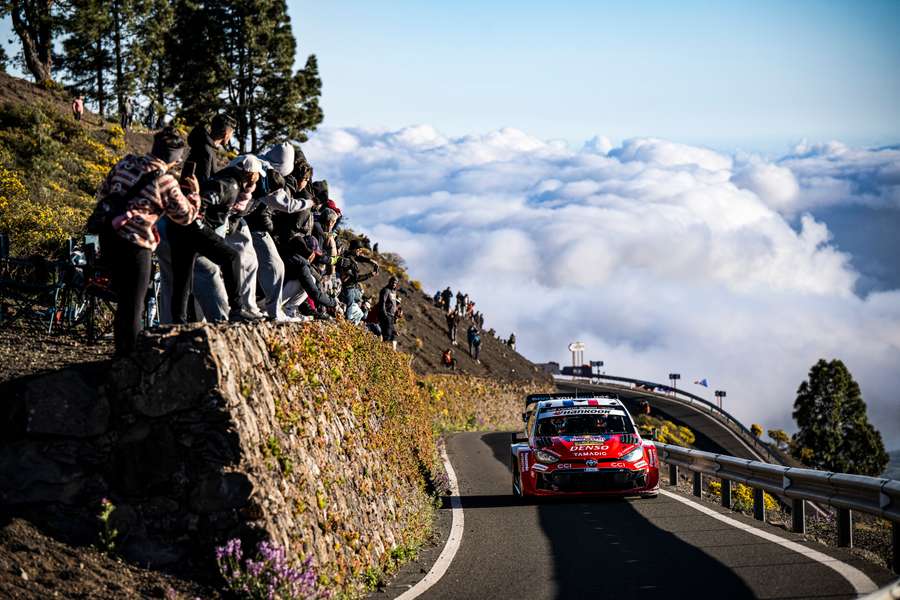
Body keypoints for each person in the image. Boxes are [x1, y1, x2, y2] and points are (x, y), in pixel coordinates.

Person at [94, 126, 200, 355]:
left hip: (110, 239)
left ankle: (120, 352)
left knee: (124, 302)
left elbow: (105, 191)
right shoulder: (166, 181)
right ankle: (128, 359)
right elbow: (185, 217)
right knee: (134, 306)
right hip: (136, 246)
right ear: (175, 158)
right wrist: (194, 195)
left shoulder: (126, 162)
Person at [281, 234, 336, 318]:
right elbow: (315, 294)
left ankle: (288, 310)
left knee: (310, 279)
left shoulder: (293, 255)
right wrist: (333, 303)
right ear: (309, 251)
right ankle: (288, 310)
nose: (314, 256)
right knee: (311, 280)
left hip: (265, 295)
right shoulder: (301, 264)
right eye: (314, 253)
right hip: (269, 299)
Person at [186, 113, 236, 184]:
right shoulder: (207, 151)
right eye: (231, 134)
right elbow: (204, 182)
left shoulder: (201, 143)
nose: (231, 137)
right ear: (226, 134)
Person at [378, 276, 399, 349]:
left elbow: (393, 304)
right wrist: (385, 314)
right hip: (386, 315)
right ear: (389, 282)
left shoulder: (394, 292)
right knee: (386, 334)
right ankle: (381, 349)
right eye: (393, 282)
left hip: (391, 316)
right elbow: (382, 302)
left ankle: (385, 350)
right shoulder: (386, 290)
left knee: (391, 335)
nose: (394, 284)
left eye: (395, 283)